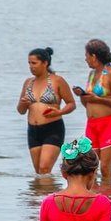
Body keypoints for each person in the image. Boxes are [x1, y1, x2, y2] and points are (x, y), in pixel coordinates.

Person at [16, 47, 78, 175]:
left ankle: (50, 193)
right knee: (39, 172)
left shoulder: (57, 81)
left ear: (45, 63)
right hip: (33, 130)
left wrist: (59, 112)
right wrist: (23, 104)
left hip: (52, 128)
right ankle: (41, 194)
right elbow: (21, 111)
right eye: (29, 63)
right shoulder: (28, 82)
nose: (31, 66)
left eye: (34, 63)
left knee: (44, 168)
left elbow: (71, 104)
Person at [76, 38, 111, 181]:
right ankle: (95, 196)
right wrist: (83, 96)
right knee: (90, 166)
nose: (85, 59)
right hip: (92, 124)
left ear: (94, 56)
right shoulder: (92, 74)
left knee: (105, 167)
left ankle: (110, 197)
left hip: (109, 123)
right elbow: (89, 103)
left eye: (86, 56)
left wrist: (99, 100)